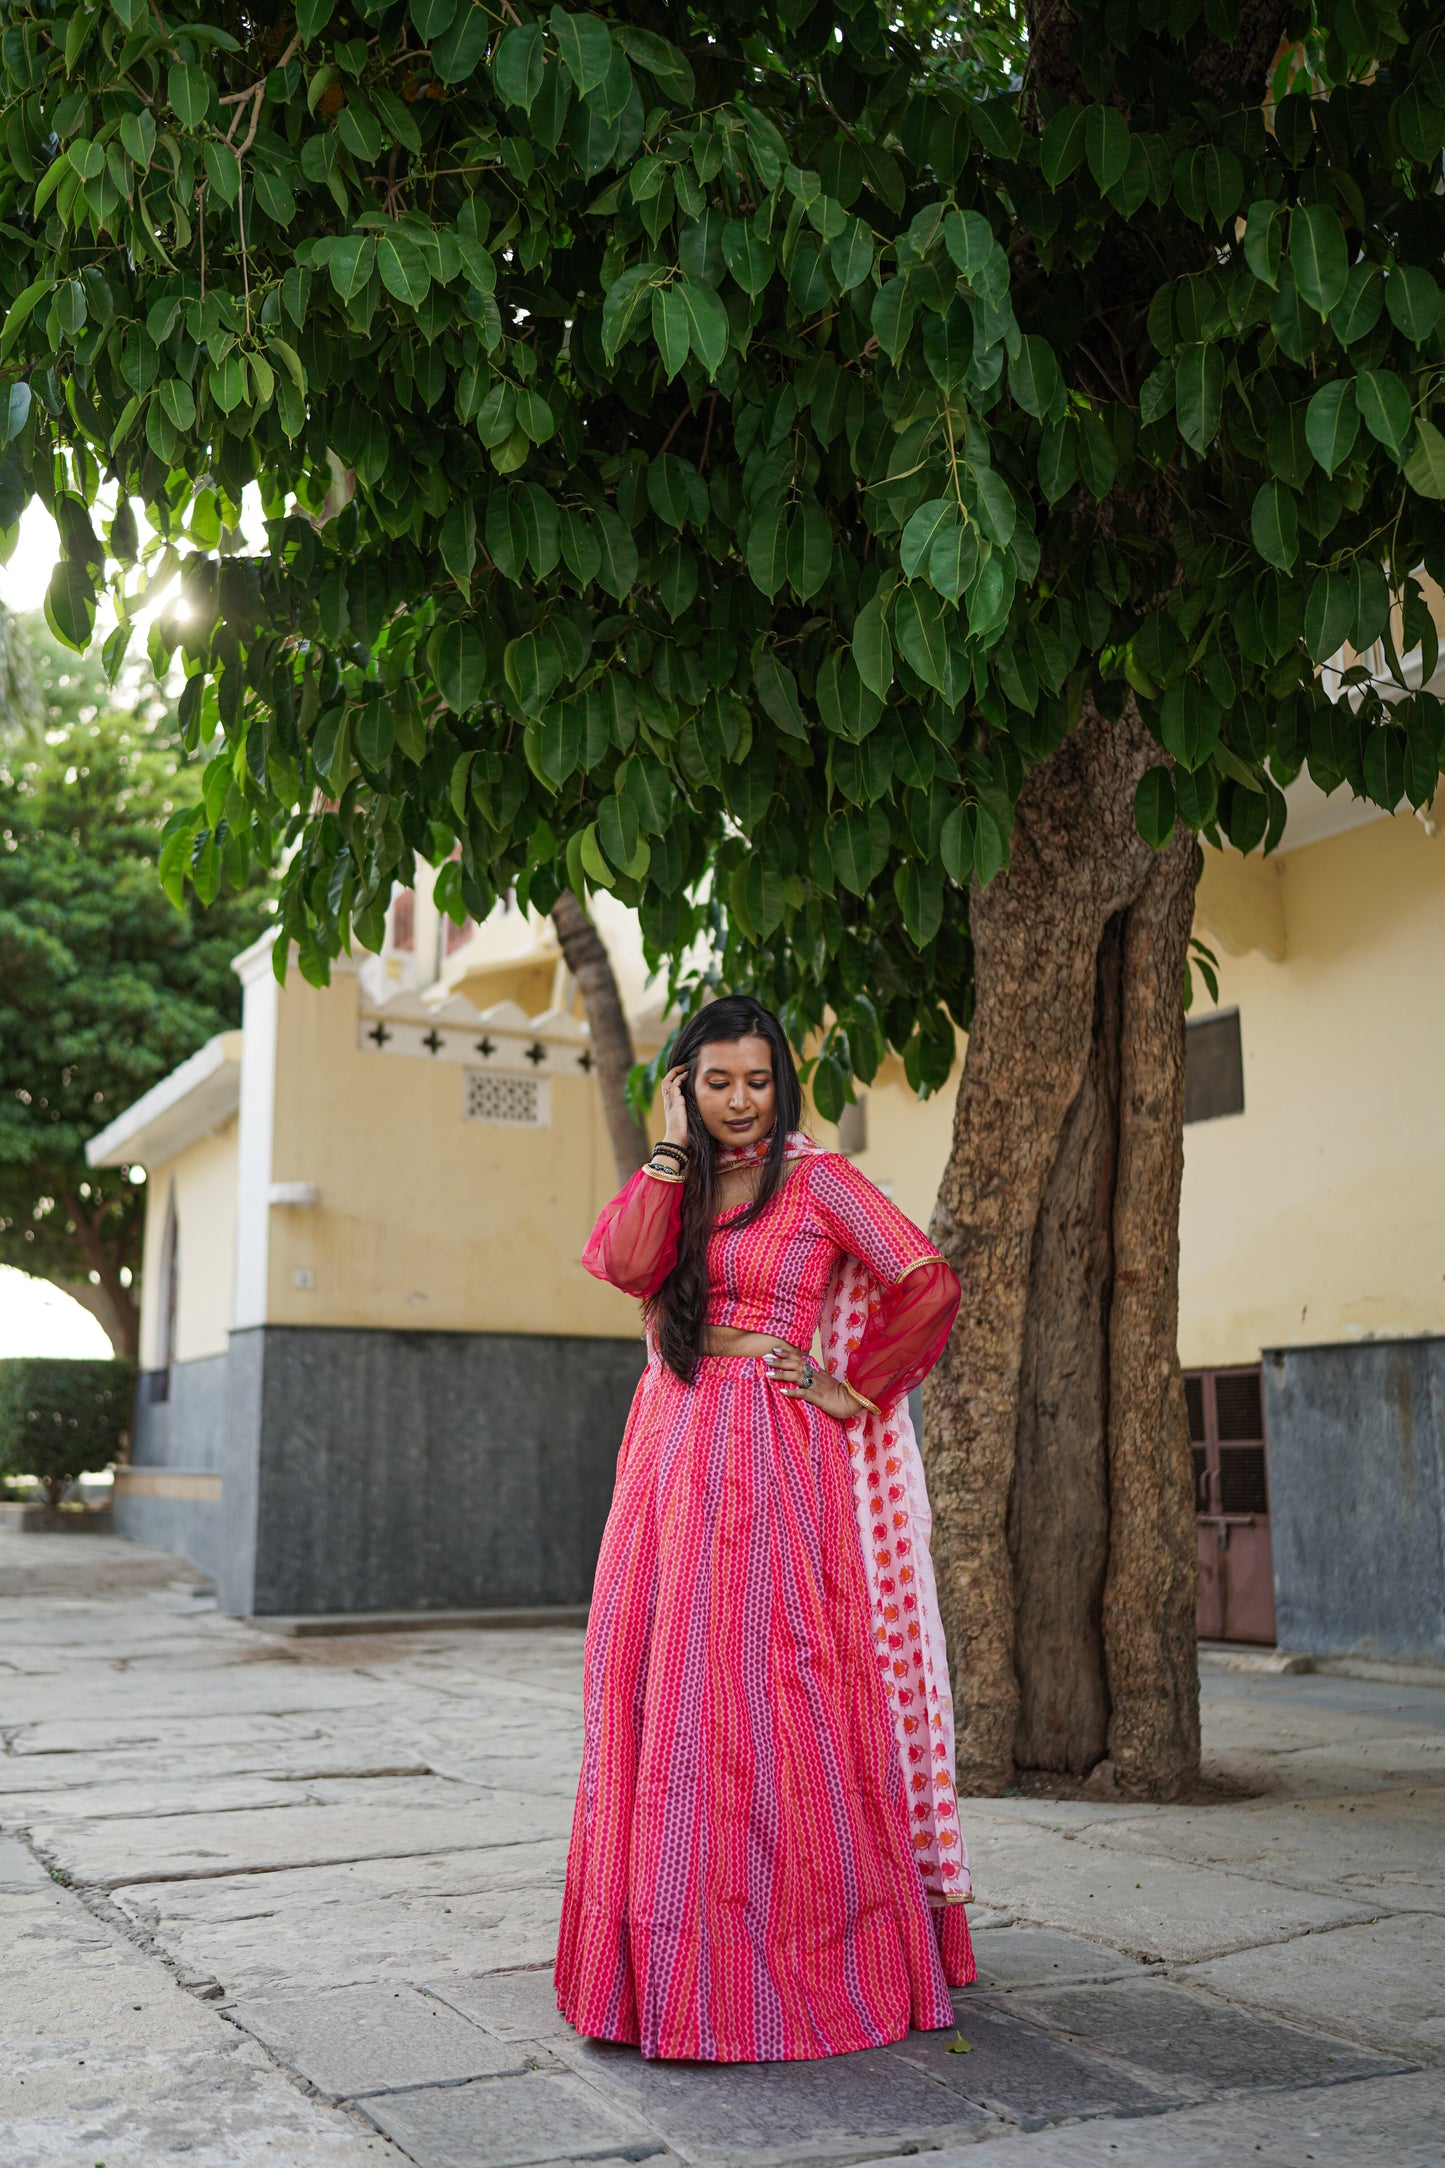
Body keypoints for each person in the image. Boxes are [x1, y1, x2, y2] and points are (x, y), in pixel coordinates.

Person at [554, 995, 975, 2063]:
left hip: (770, 1457)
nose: (738, 1101)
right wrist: (662, 1151)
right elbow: (625, 1265)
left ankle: (770, 1963)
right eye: (715, 1081)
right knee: (648, 1679)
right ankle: (658, 1962)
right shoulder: (679, 1182)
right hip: (662, 1447)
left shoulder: (819, 1180)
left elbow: (924, 1283)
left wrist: (852, 1387)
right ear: (685, 1086)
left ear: (780, 1082)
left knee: (761, 1690)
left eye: (755, 1080)